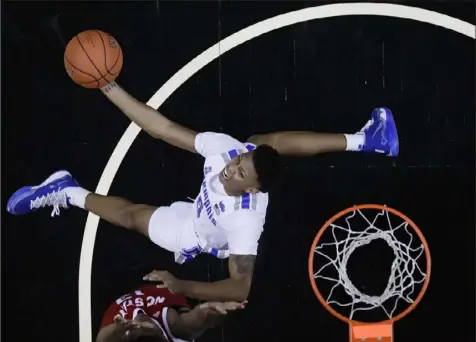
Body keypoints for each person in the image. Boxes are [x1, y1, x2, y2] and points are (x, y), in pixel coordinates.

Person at [7, 81, 399, 303]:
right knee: (264, 141)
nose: (232, 166)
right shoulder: (226, 149)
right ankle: (366, 140)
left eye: (240, 170)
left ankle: (69, 191)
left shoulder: (245, 221)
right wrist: (108, 87)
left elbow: (240, 288)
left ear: (253, 187)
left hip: (196, 231)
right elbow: (161, 128)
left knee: (132, 217)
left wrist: (183, 286)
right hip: (201, 208)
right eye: (238, 162)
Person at [97, 282, 246, 342]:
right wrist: (214, 313)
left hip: (116, 284)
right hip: (165, 282)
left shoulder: (122, 328)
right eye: (148, 330)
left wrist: (116, 331)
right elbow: (196, 319)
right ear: (161, 334)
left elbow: (101, 340)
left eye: (139, 330)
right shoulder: (176, 327)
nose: (142, 326)